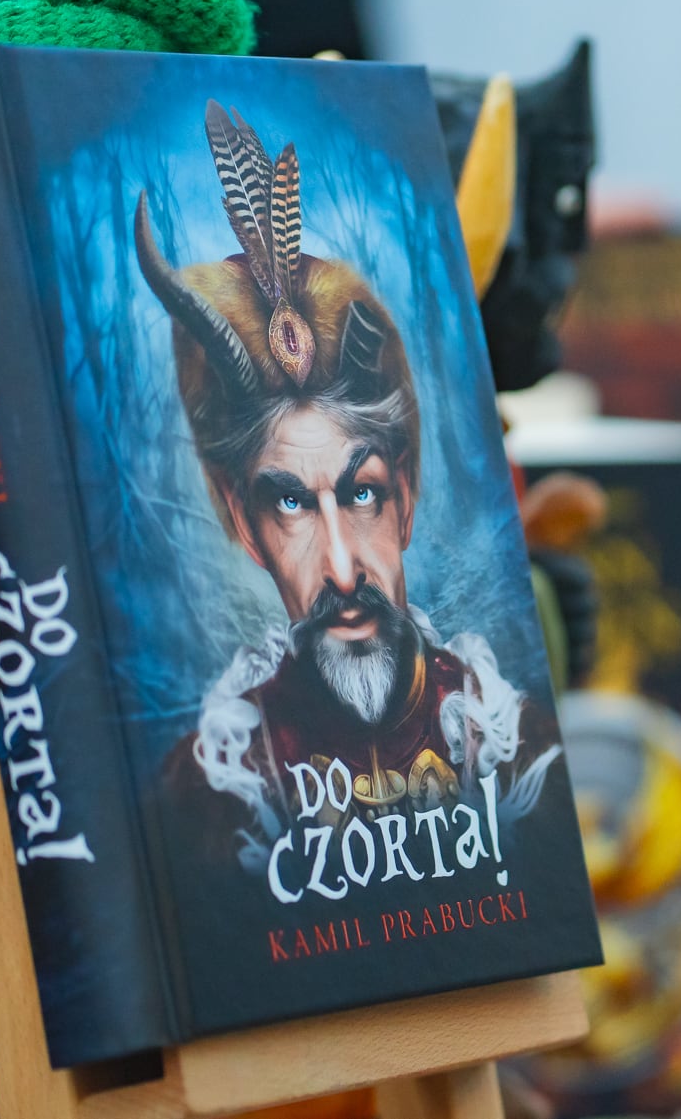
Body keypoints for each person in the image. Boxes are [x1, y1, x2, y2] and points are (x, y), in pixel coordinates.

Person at [143, 100, 555, 871]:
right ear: (243, 522)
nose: (341, 568)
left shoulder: (516, 748)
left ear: (406, 493)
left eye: (361, 493)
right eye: (291, 503)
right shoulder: (211, 793)